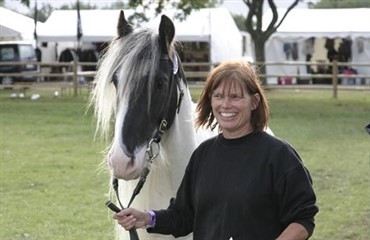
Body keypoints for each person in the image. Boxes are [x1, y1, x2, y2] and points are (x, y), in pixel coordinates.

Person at [114, 60, 319, 239]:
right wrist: (148, 218)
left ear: (254, 101)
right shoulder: (203, 155)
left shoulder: (279, 155)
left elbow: (303, 219)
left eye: (235, 97)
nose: (225, 105)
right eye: (218, 96)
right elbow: (184, 216)